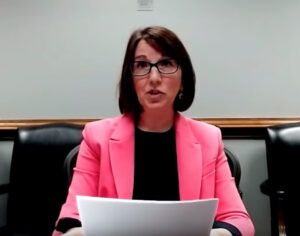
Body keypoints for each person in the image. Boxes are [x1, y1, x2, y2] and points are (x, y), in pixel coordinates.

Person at [53, 26, 255, 236]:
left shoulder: (208, 139)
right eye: (142, 65)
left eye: (166, 63)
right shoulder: (97, 137)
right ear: (130, 79)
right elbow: (70, 217)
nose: (154, 77)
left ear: (183, 79)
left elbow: (239, 220)